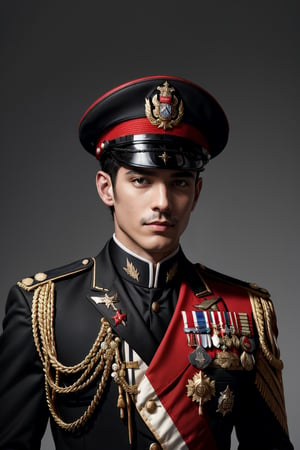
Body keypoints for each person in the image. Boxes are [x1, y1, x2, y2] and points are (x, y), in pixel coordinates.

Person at [0, 75, 293, 450]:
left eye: (180, 183)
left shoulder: (244, 311)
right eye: (141, 180)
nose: (163, 202)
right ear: (107, 188)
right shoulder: (45, 307)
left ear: (197, 192)